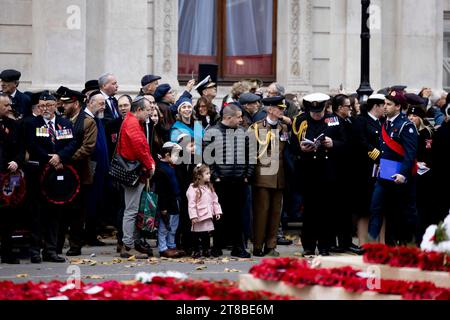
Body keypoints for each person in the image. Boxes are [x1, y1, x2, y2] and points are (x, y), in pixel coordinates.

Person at [291, 93, 346, 256]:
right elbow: (292, 145)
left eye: (319, 112)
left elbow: (346, 143)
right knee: (309, 211)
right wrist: (300, 149)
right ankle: (308, 245)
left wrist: (333, 143)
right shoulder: (300, 120)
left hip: (327, 171)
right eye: (313, 112)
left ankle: (325, 245)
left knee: (326, 211)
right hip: (307, 170)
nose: (316, 115)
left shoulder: (334, 120)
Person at [25, 91, 77, 263]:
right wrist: (50, 159)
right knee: (37, 214)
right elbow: (32, 145)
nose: (45, 108)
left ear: (56, 106)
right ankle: (35, 251)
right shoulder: (32, 123)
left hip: (59, 175)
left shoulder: (65, 123)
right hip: (39, 174)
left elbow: (72, 143)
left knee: (54, 214)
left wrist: (60, 157)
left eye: (48, 105)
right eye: (41, 106)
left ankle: (51, 250)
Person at [368, 90, 419, 245]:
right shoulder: (386, 124)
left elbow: (410, 153)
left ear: (398, 106)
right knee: (375, 209)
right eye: (384, 103)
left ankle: (408, 244)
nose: (385, 107)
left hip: (399, 177)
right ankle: (370, 245)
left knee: (401, 214)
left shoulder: (406, 125)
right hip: (384, 175)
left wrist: (403, 174)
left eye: (389, 104)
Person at [204, 104, 255, 258]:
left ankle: (239, 247)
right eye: (238, 117)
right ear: (228, 118)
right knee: (219, 215)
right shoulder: (212, 132)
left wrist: (248, 174)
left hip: (240, 180)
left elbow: (251, 155)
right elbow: (207, 157)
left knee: (239, 216)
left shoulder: (243, 132)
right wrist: (215, 176)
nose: (241, 119)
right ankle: (217, 246)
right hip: (221, 181)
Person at [59, 87, 97, 256]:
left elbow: (87, 148)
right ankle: (56, 245)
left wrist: (64, 158)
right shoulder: (61, 120)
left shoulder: (88, 122)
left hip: (79, 171)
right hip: (61, 171)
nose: (63, 106)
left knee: (77, 211)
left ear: (75, 103)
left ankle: (75, 245)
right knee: (60, 209)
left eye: (66, 103)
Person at [249, 96, 289, 257]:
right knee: (261, 211)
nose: (282, 111)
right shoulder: (256, 127)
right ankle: (258, 245)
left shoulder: (283, 128)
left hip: (279, 175)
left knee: (275, 213)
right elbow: (250, 152)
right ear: (270, 109)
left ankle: (271, 245)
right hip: (263, 175)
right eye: (279, 109)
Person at [117, 96, 156, 259]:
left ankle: (131, 243)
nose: (150, 113)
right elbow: (140, 147)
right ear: (139, 110)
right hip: (134, 172)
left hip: (133, 170)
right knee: (131, 210)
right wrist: (150, 164)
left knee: (132, 209)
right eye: (148, 110)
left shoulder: (130, 120)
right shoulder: (133, 123)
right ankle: (128, 245)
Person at [352, 93, 385, 247]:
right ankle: (363, 243)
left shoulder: (382, 122)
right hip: (365, 172)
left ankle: (381, 243)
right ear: (376, 106)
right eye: (383, 106)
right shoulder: (361, 121)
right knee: (364, 209)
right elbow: (361, 143)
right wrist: (379, 155)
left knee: (381, 208)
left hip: (381, 171)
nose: (385, 109)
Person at [0, 93, 25, 264]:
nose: (10, 108)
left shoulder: (13, 125)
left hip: (11, 177)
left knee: (10, 212)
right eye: (6, 105)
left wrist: (17, 161)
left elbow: (21, 147)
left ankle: (8, 251)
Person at [406, 104, 435, 238]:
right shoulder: (407, 130)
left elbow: (428, 154)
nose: (411, 118)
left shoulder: (426, 133)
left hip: (424, 174)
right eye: (409, 116)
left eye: (415, 116)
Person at [153, 142, 185, 258]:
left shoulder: (172, 167)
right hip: (167, 203)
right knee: (164, 226)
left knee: (173, 226)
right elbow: (161, 192)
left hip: (175, 200)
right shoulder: (161, 170)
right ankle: (163, 248)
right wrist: (163, 208)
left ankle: (171, 245)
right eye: (175, 155)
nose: (177, 158)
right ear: (167, 155)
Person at [186, 164, 222, 258]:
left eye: (209, 173)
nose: (209, 175)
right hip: (198, 216)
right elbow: (191, 204)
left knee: (206, 234)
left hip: (208, 215)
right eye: (207, 173)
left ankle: (206, 250)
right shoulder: (193, 189)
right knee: (196, 234)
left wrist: (217, 211)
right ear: (199, 176)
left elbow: (215, 200)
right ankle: (196, 250)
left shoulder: (209, 187)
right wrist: (193, 216)